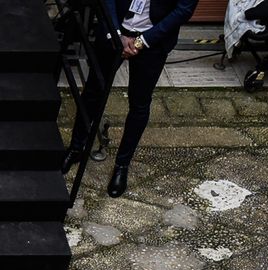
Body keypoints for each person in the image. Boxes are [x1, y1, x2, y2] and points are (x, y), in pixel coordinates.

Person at [64, 0, 198, 197]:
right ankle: (76, 147)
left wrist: (142, 41)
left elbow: (184, 10)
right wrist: (116, 33)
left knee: (139, 104)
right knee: (93, 92)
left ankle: (122, 164)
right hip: (114, 30)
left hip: (154, 41)